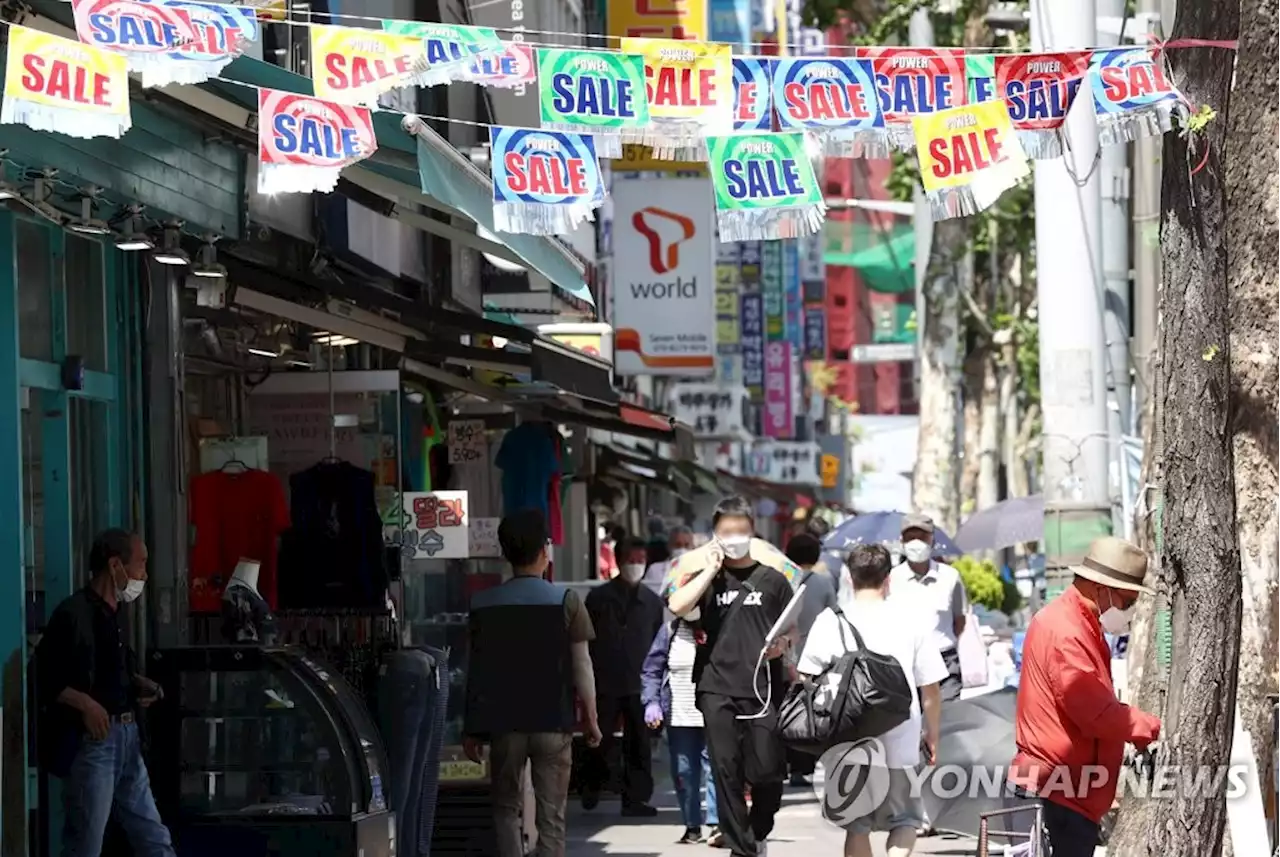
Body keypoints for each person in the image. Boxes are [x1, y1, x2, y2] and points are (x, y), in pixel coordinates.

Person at [1008, 536, 1162, 857]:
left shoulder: (1079, 624)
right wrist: (1146, 727)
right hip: (1061, 787)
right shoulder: (1067, 631)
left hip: (1069, 786)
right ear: (1102, 588)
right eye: (1127, 601)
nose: (1128, 611)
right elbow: (1094, 712)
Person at [464, 509, 603, 857]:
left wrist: (471, 728)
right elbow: (582, 664)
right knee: (552, 816)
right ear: (545, 551)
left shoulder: (483, 605)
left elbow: (476, 669)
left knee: (506, 807)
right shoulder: (567, 601)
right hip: (553, 724)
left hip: (504, 725)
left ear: (505, 553)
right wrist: (591, 718)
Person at [667, 496, 797, 857]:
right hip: (716, 687)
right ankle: (743, 850)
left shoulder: (773, 580)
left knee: (769, 773)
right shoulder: (706, 579)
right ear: (715, 534)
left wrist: (783, 643)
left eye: (741, 530)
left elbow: (792, 627)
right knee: (726, 771)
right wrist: (709, 571)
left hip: (763, 688)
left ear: (752, 531)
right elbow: (677, 606)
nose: (734, 537)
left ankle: (756, 830)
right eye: (727, 531)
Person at [33, 529, 176, 857]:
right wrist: (85, 704)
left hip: (127, 736)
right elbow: (42, 675)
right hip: (95, 743)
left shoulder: (118, 615)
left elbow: (113, 669)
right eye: (140, 564)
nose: (144, 575)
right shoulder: (73, 614)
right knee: (86, 842)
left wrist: (141, 683)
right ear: (115, 565)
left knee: (153, 834)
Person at [797, 544, 945, 857]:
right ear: (888, 578)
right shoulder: (911, 619)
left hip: (849, 737)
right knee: (905, 820)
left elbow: (806, 678)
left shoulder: (830, 620)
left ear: (849, 578)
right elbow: (930, 686)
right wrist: (932, 733)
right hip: (902, 735)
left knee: (857, 825)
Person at [582, 538, 665, 816]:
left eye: (641, 560)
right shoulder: (598, 598)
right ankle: (591, 783)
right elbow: (585, 640)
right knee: (599, 740)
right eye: (631, 559)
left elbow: (657, 642)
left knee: (639, 744)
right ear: (618, 560)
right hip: (604, 680)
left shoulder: (651, 602)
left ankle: (635, 799)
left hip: (640, 684)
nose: (636, 565)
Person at [641, 612, 720, 844]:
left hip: (713, 713)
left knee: (715, 769)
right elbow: (652, 669)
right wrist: (652, 702)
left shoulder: (718, 626)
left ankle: (716, 824)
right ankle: (692, 825)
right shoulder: (670, 632)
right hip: (679, 715)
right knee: (684, 772)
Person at [888, 513, 967, 702]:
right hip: (907, 663)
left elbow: (960, 620)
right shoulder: (891, 579)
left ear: (932, 541)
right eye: (910, 537)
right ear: (902, 541)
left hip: (945, 661)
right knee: (913, 726)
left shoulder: (950, 577)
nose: (916, 542)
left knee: (948, 721)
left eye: (922, 537)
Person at [782, 533, 838, 788]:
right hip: (816, 656)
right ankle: (803, 766)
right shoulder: (824, 583)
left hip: (783, 651)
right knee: (809, 713)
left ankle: (783, 761)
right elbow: (835, 616)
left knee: (783, 707)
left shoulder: (781, 580)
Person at [643, 525, 695, 590]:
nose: (682, 549)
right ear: (669, 546)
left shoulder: (701, 569)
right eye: (677, 545)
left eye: (686, 545)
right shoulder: (655, 570)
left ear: (693, 547)